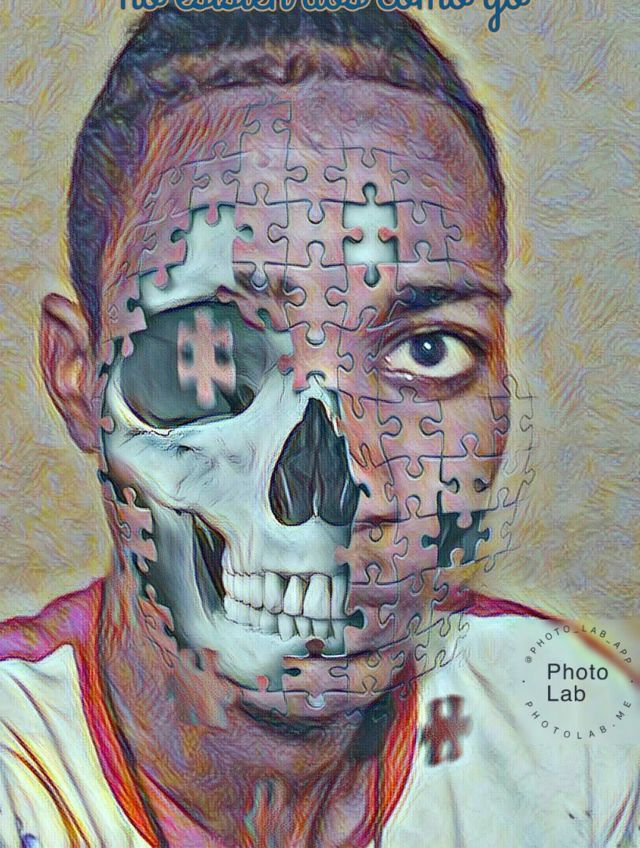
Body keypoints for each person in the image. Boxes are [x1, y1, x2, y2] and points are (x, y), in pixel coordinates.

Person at [0, 7, 637, 847]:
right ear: (78, 378)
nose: (343, 492)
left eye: (429, 349)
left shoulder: (575, 750)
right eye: (210, 352)